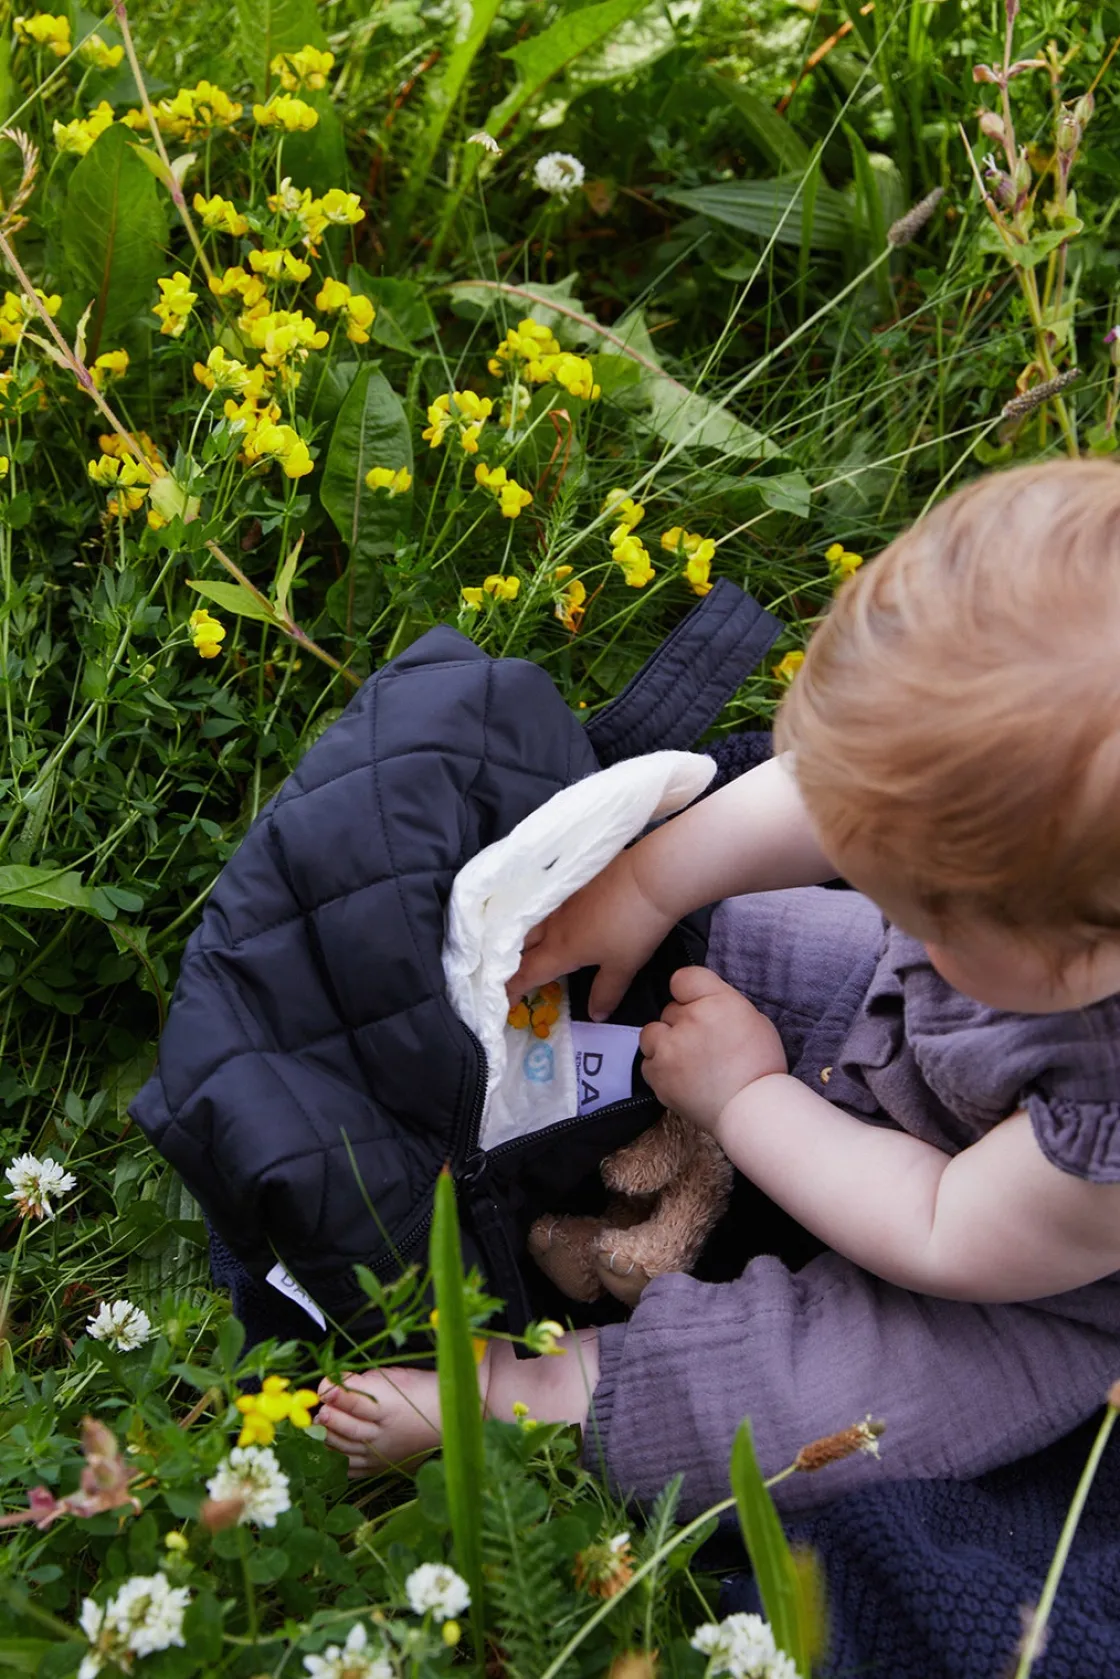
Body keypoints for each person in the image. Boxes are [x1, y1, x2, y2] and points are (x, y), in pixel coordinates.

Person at [317, 460, 1120, 1517]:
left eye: (925, 906)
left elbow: (940, 1223)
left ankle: (535, 1392)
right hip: (937, 1035)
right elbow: (825, 799)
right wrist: (648, 885)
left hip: (1034, 1270)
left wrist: (746, 1097)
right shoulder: (1043, 865)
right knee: (732, 936)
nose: (872, 885)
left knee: (827, 1408)